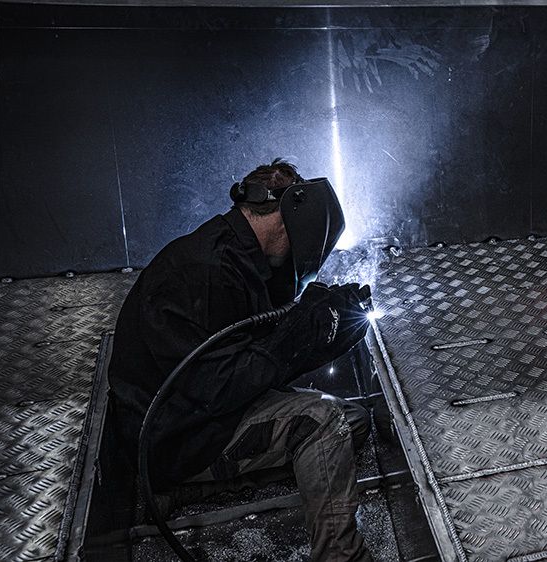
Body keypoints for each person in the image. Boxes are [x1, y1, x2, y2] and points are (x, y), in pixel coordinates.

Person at [108, 159, 372, 560]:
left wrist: (324, 326)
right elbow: (222, 387)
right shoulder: (207, 271)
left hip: (191, 419)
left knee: (354, 422)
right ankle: (341, 557)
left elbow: (254, 344)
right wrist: (305, 331)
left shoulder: (235, 255)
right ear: (285, 223)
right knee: (324, 423)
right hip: (173, 437)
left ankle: (188, 490)